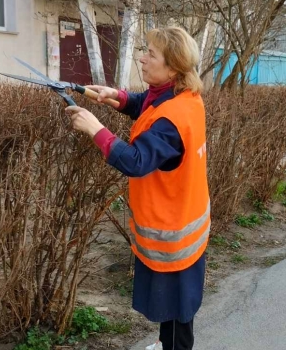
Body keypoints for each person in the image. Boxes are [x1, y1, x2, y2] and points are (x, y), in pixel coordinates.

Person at [65, 27, 210, 350]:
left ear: (172, 67)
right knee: (177, 309)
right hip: (186, 220)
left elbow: (135, 160)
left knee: (176, 313)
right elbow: (146, 103)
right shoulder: (181, 95)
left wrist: (96, 129)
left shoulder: (172, 120)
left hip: (174, 236)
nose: (141, 58)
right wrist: (115, 96)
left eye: (151, 54)